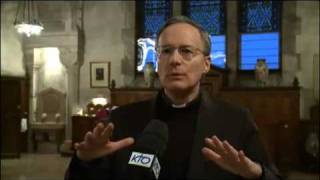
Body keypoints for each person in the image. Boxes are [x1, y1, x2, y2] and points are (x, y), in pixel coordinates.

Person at [65, 16, 282, 180]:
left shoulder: (236, 120)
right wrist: (84, 161)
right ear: (157, 60)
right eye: (166, 51)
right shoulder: (122, 120)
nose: (175, 60)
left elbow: (272, 176)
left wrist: (256, 174)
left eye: (186, 51)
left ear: (206, 64)